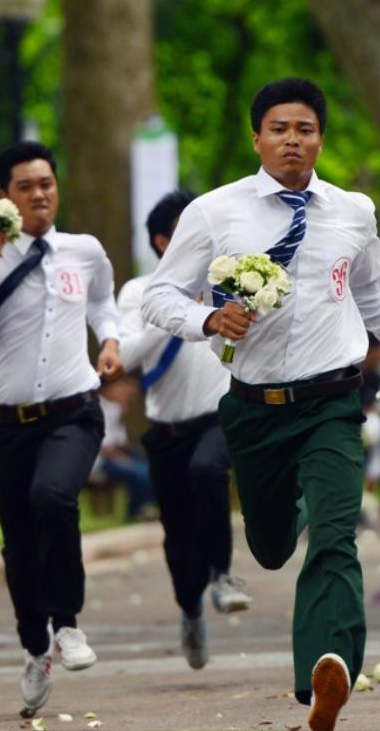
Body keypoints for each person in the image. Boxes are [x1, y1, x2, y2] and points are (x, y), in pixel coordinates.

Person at [141, 78, 380, 731]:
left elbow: (375, 297)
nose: (292, 140)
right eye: (279, 128)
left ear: (320, 139)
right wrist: (207, 319)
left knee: (336, 539)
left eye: (305, 128)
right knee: (273, 545)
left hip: (332, 400)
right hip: (254, 409)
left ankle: (324, 672)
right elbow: (159, 296)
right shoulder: (216, 212)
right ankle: (296, 508)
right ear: (258, 138)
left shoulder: (353, 212)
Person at [0, 141, 124, 716]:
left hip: (74, 411)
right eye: (26, 187)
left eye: (46, 183)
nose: (40, 194)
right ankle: (35, 647)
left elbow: (102, 304)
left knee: (53, 497)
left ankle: (67, 625)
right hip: (9, 424)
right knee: (18, 546)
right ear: (5, 198)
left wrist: (110, 341)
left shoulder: (83, 251)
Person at [116, 189, 253, 671]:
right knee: (177, 541)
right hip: (166, 430)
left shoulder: (230, 283)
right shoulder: (138, 292)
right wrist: (175, 309)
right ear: (160, 241)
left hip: (219, 418)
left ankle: (225, 576)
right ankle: (191, 609)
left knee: (207, 471)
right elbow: (127, 357)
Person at [95, 378, 155, 520]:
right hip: (100, 461)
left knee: (154, 468)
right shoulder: (97, 407)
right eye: (120, 389)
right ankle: (136, 511)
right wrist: (123, 459)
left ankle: (142, 508)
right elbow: (102, 447)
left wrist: (122, 413)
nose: (125, 395)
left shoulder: (115, 408)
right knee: (141, 473)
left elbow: (121, 443)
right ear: (108, 389)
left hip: (116, 455)